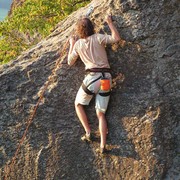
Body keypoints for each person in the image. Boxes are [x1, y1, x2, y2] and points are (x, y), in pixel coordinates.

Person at [67, 15, 120, 154]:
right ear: (92, 27)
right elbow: (116, 38)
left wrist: (72, 43)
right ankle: (103, 146)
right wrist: (109, 23)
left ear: (79, 31)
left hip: (92, 78)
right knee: (101, 113)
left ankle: (88, 132)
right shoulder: (98, 37)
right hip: (106, 78)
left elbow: (70, 61)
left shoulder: (79, 44)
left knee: (78, 104)